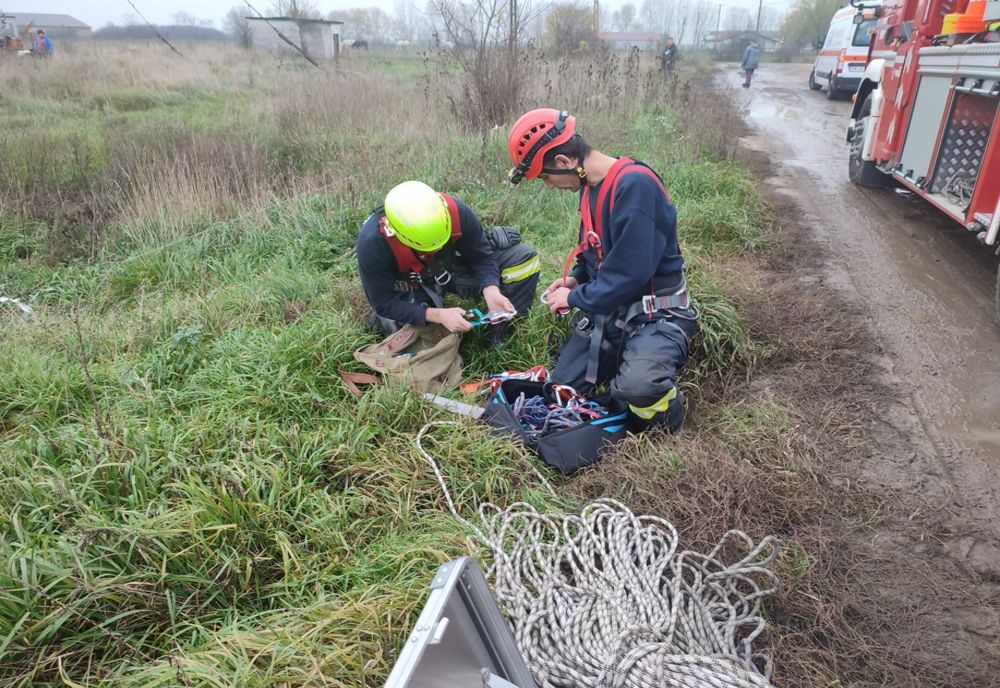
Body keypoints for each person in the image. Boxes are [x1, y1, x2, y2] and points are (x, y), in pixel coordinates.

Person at [506, 109, 699, 433]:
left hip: (656, 313)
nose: (549, 186)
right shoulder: (590, 187)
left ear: (565, 161)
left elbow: (629, 275)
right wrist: (576, 278)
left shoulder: (635, 186)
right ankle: (628, 363)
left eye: (545, 177)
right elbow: (596, 255)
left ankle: (668, 421)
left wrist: (574, 298)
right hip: (612, 309)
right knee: (563, 387)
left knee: (638, 386)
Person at [356, 180, 540, 343]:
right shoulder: (373, 242)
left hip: (449, 269)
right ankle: (400, 319)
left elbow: (481, 256)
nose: (435, 250)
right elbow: (383, 302)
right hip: (412, 285)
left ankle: (500, 336)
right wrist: (437, 315)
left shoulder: (457, 212)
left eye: (439, 244)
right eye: (425, 247)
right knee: (418, 337)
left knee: (522, 257)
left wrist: (491, 288)